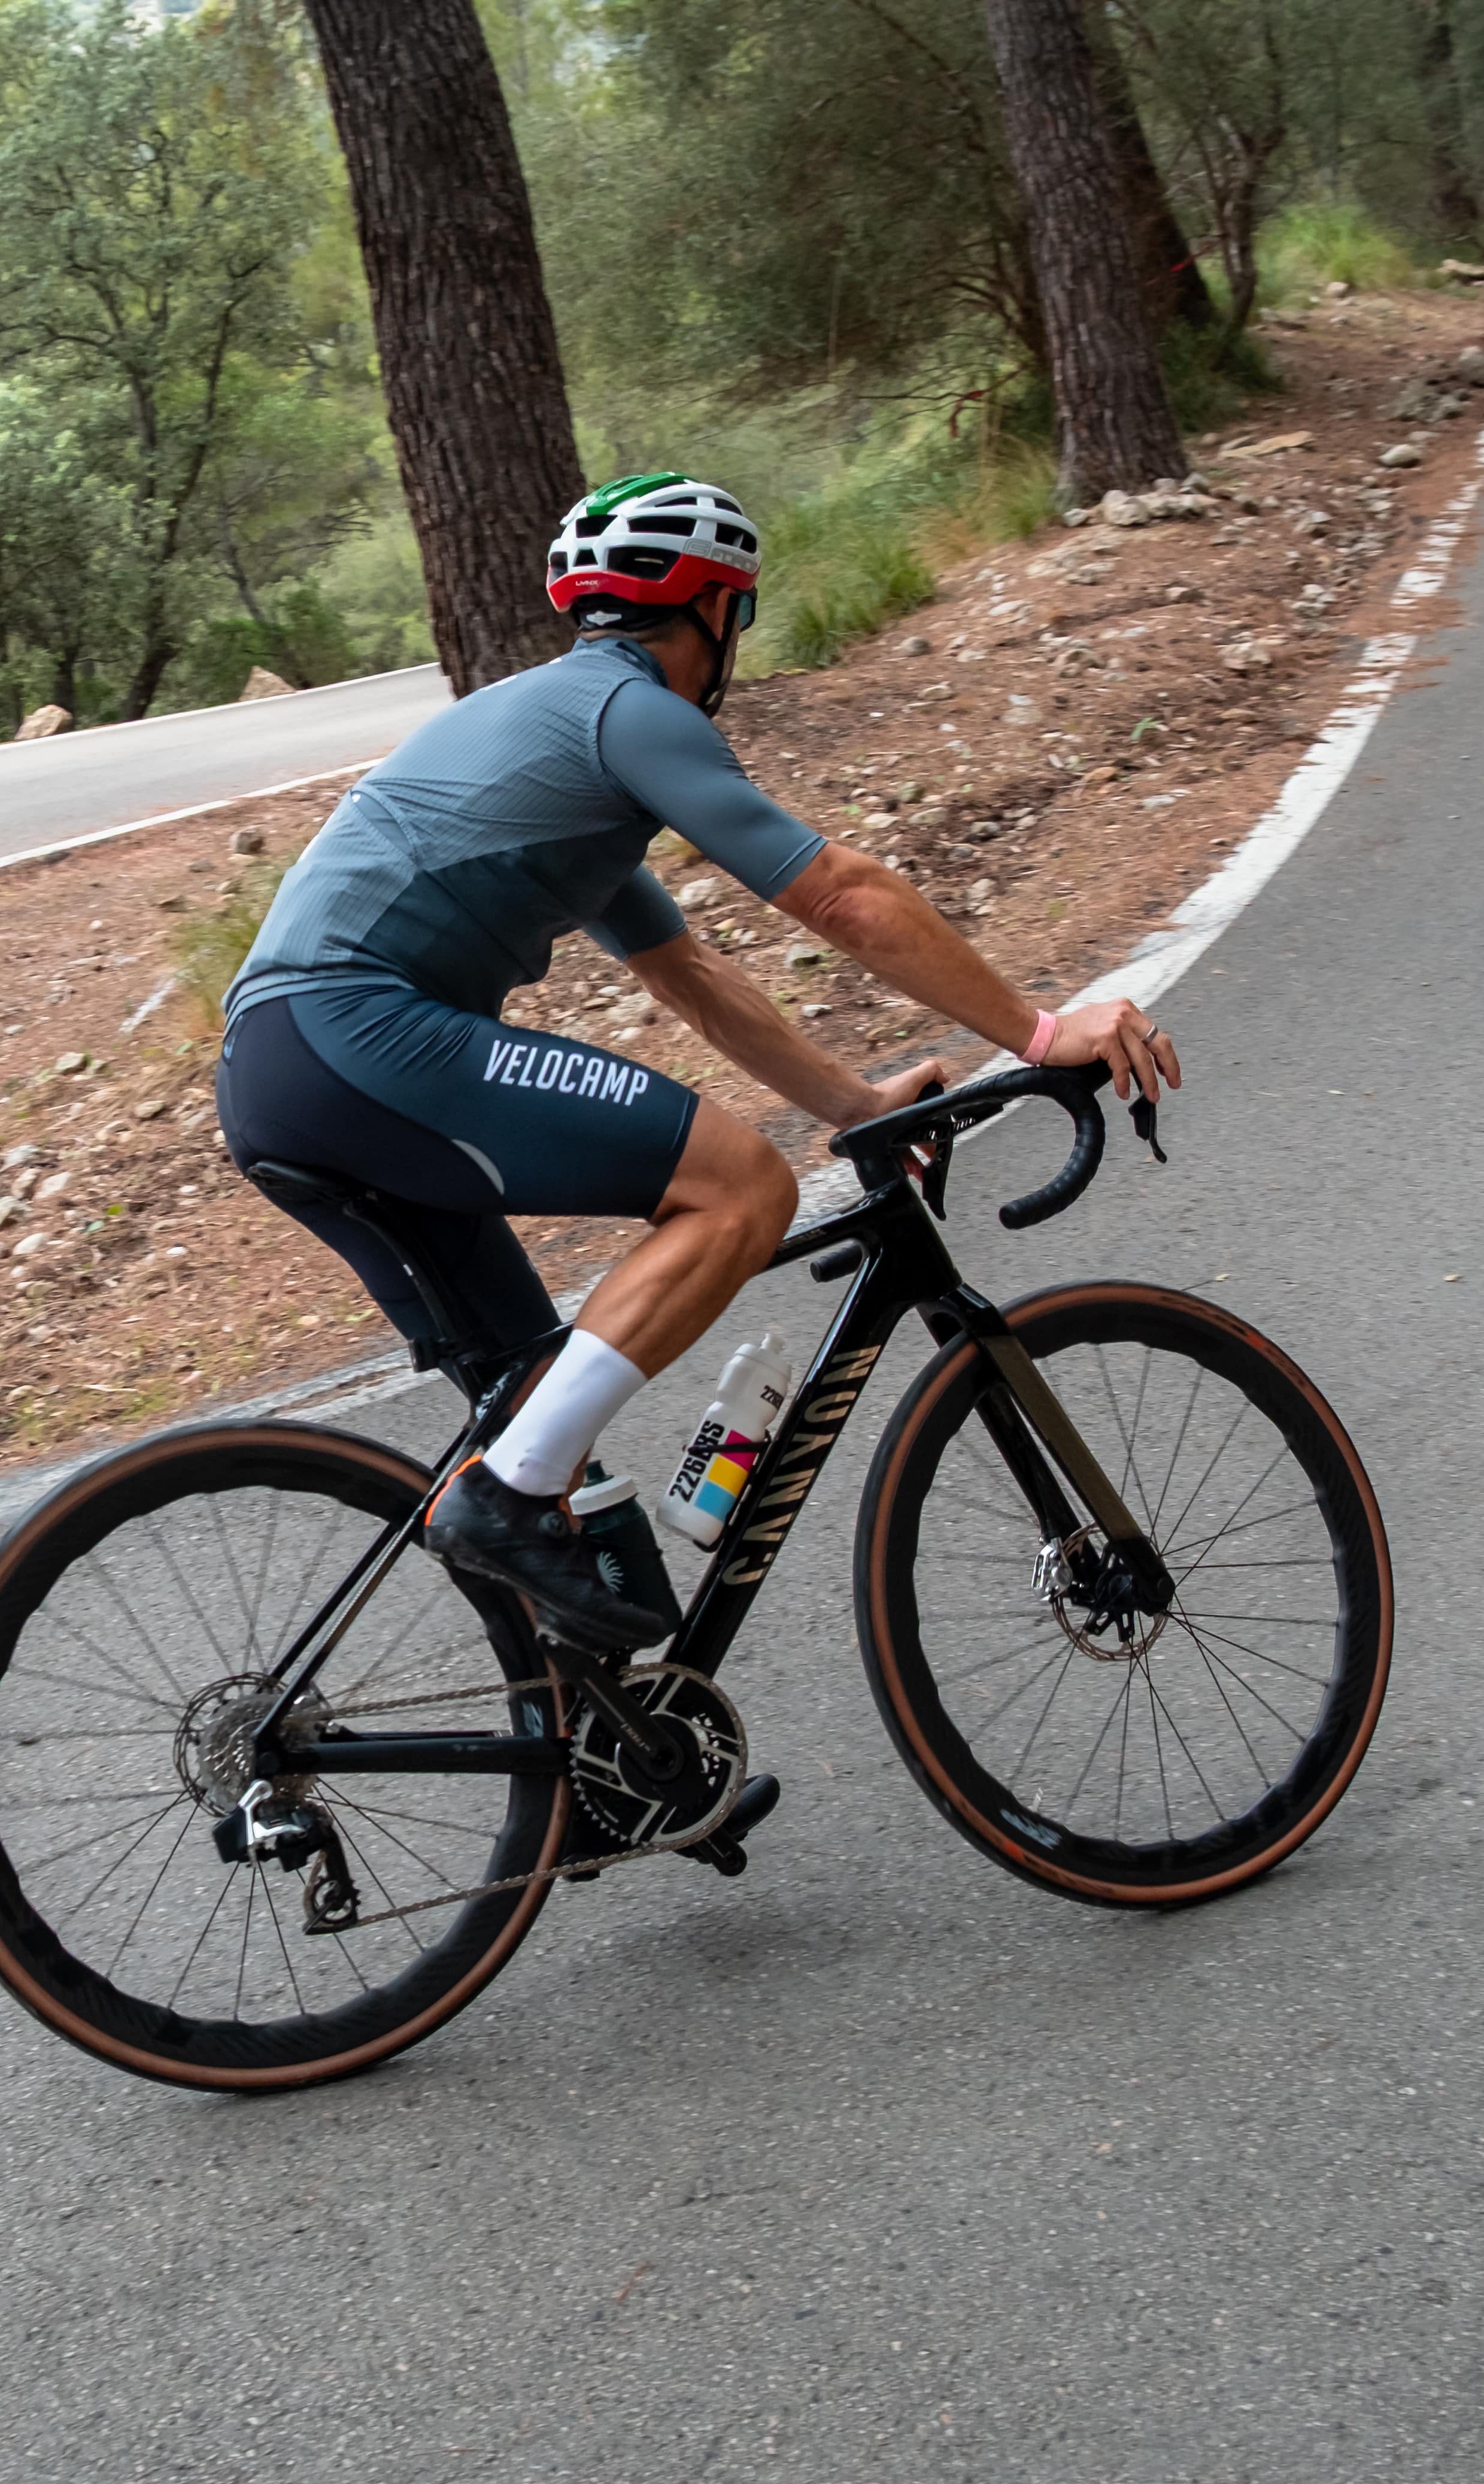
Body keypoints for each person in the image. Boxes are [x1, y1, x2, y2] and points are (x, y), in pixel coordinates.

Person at [213, 472, 1181, 1648]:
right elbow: (842, 894)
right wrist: (1036, 1033)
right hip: (349, 1036)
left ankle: (597, 1764)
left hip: (288, 1070)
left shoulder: (561, 755)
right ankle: (503, 1500)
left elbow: (693, 979)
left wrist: (858, 1102)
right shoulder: (633, 715)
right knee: (742, 1187)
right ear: (716, 608)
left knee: (541, 1412)